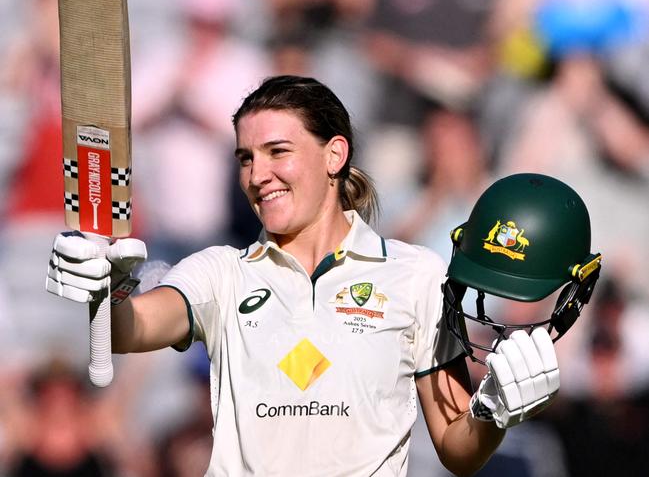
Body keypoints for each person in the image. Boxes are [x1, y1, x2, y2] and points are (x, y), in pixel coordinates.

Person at [47, 76, 564, 476]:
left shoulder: (418, 275)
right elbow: (129, 328)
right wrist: (105, 291)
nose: (257, 175)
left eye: (278, 152)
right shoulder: (222, 272)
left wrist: (494, 414)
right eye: (245, 158)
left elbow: (457, 449)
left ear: (334, 154)